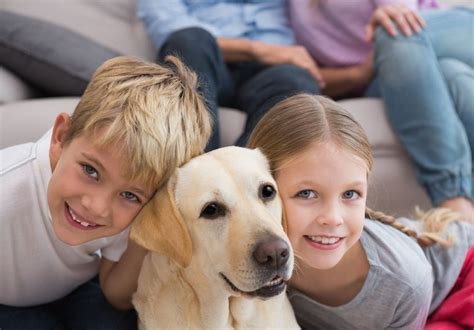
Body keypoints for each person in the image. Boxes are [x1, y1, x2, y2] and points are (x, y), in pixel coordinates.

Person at [0, 56, 212, 329]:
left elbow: (115, 295)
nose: (97, 207)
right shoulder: (7, 189)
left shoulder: (136, 206)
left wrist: (149, 220)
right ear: (61, 136)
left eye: (130, 195)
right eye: (90, 171)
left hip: (72, 288)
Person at [247, 94, 474, 329]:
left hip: (460, 281)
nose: (332, 218)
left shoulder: (404, 282)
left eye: (350, 194)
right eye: (306, 194)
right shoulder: (252, 256)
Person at [288, 0, 474, 223]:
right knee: (452, 75)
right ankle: (456, 204)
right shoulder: (292, 7)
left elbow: (403, 18)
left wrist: (391, 18)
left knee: (393, 29)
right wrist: (358, 74)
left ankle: (456, 210)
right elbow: (306, 73)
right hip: (388, 78)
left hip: (444, 32)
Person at [137, 0, 321, 150]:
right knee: (188, 40)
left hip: (272, 71)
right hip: (206, 62)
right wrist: (257, 50)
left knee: (298, 81)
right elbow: (168, 28)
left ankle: (242, 174)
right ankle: (196, 165)